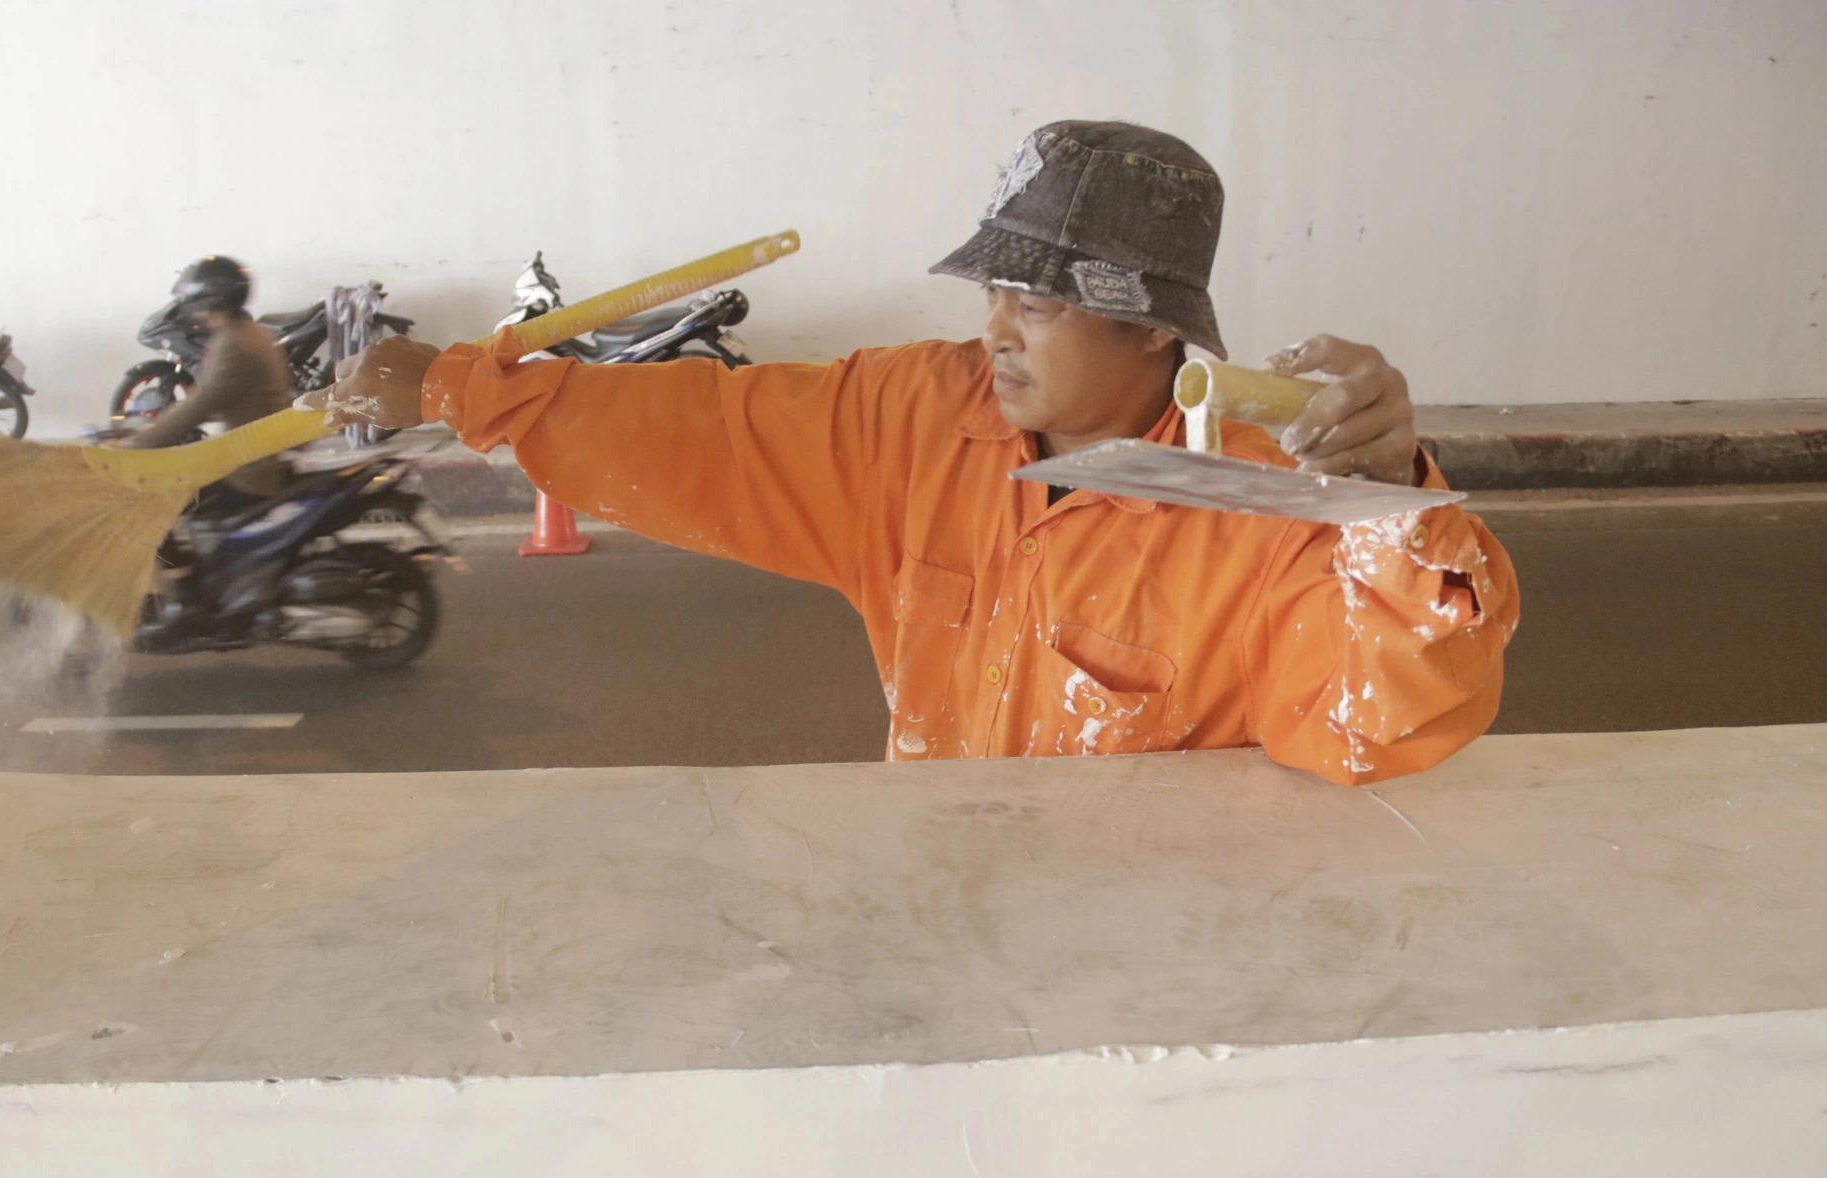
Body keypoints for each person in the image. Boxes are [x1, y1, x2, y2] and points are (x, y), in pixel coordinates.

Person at [304, 121, 1520, 785]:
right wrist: (465, 387)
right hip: (936, 908)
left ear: (1150, 327)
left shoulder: (1261, 504)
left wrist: (1386, 506)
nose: (993, 327)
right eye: (994, 290)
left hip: (1146, 970)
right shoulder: (917, 425)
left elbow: (1378, 718)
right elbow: (699, 433)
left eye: (1035, 305)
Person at [130, 255, 293, 503]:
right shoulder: (252, 331)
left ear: (208, 299)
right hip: (258, 452)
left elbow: (201, 404)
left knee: (176, 499)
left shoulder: (234, 344)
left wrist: (137, 447)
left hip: (250, 472)